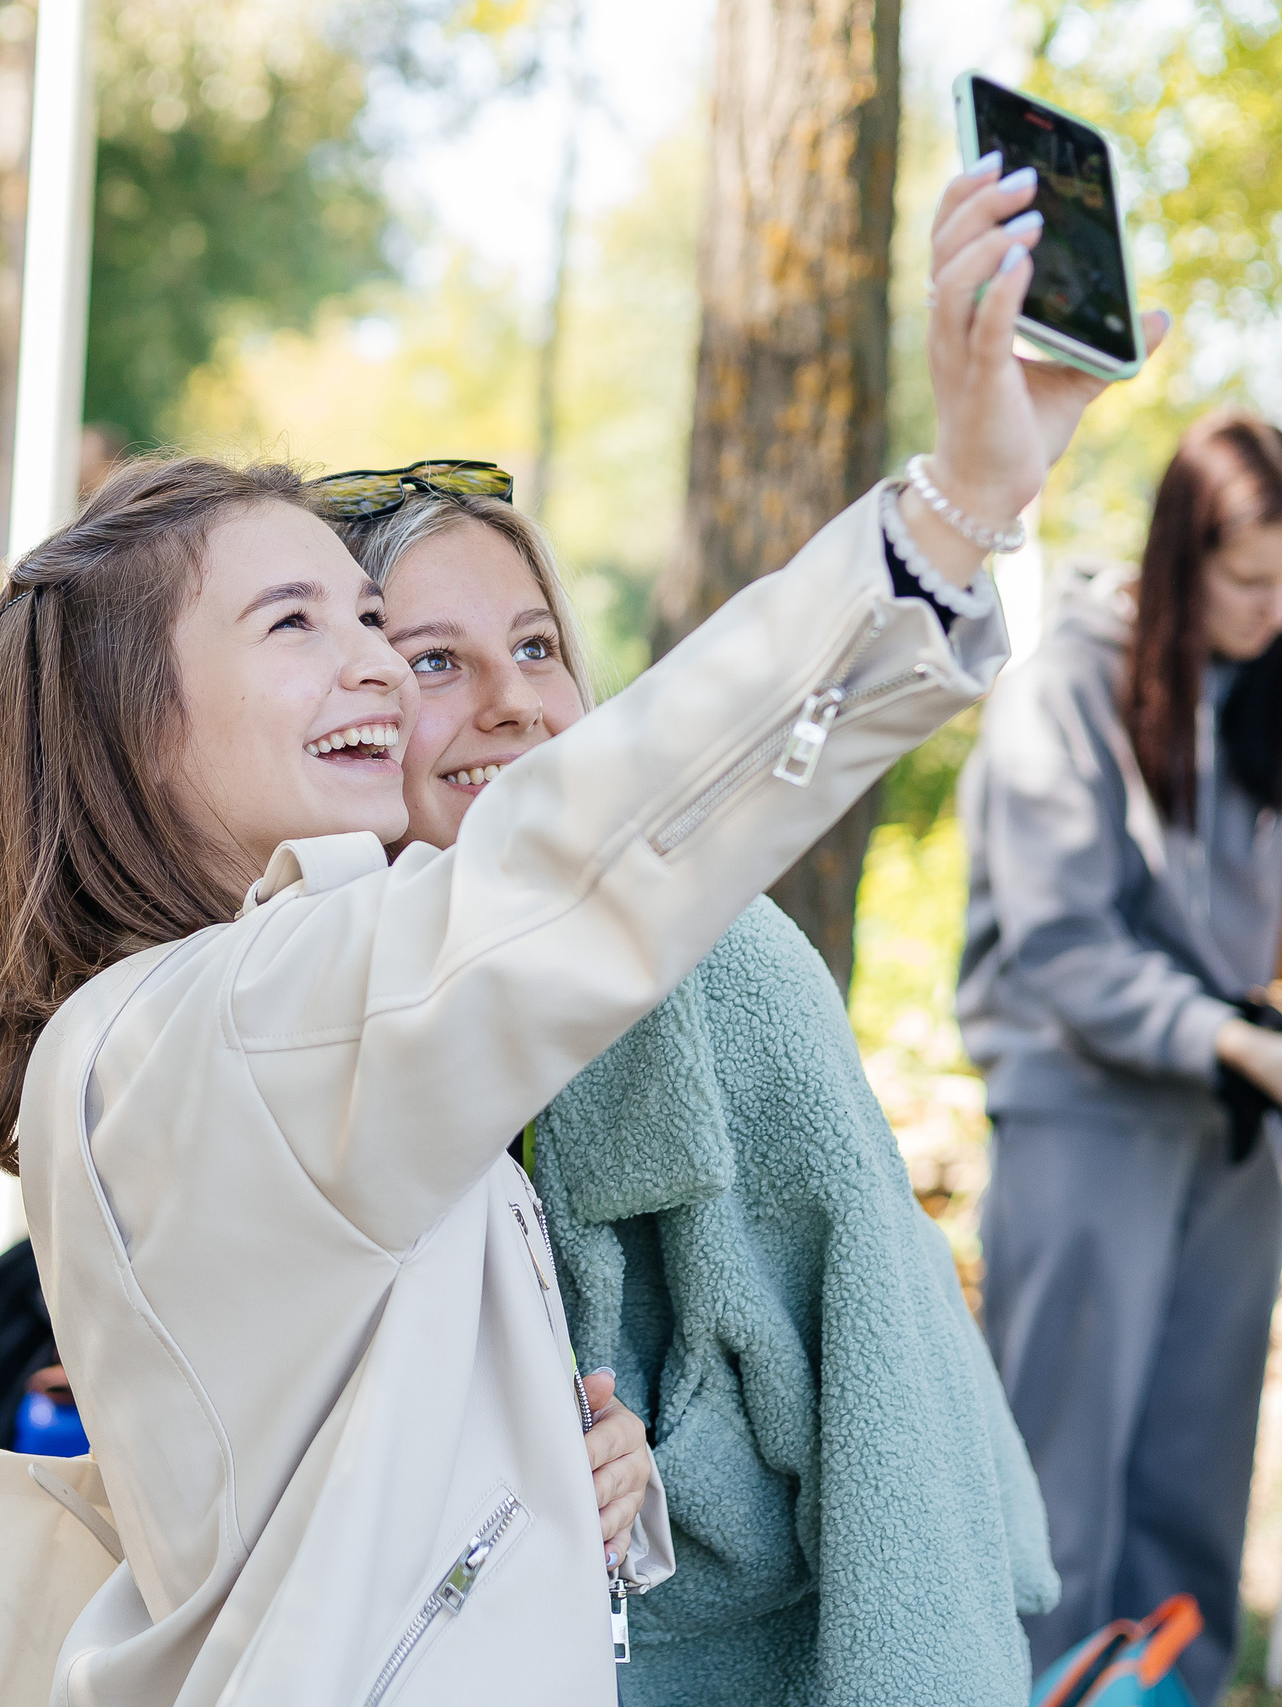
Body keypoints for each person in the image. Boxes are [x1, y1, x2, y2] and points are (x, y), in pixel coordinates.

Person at [0, 161, 1138, 1704]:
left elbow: (347, 1494)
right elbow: (578, 860)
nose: (376, 659)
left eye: (366, 618)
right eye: (299, 620)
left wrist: (576, 1491)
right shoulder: (232, 1022)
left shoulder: (219, 1017)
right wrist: (947, 521)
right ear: (128, 728)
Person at [341, 472, 1058, 1703]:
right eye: (435, 663)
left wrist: (656, 1481)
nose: (516, 702)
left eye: (536, 646)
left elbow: (888, 1416)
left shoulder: (734, 975)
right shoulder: (286, 992)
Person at [956, 412, 1282, 1703]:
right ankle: (1028, 1685)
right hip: (1087, 1116)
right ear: (1180, 559)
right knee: (1061, 1464)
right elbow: (1062, 943)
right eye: (1249, 579)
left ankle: (1172, 1687)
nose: (1277, 610)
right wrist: (1225, 1037)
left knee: (1199, 1462)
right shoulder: (1065, 691)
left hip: (1237, 1132)